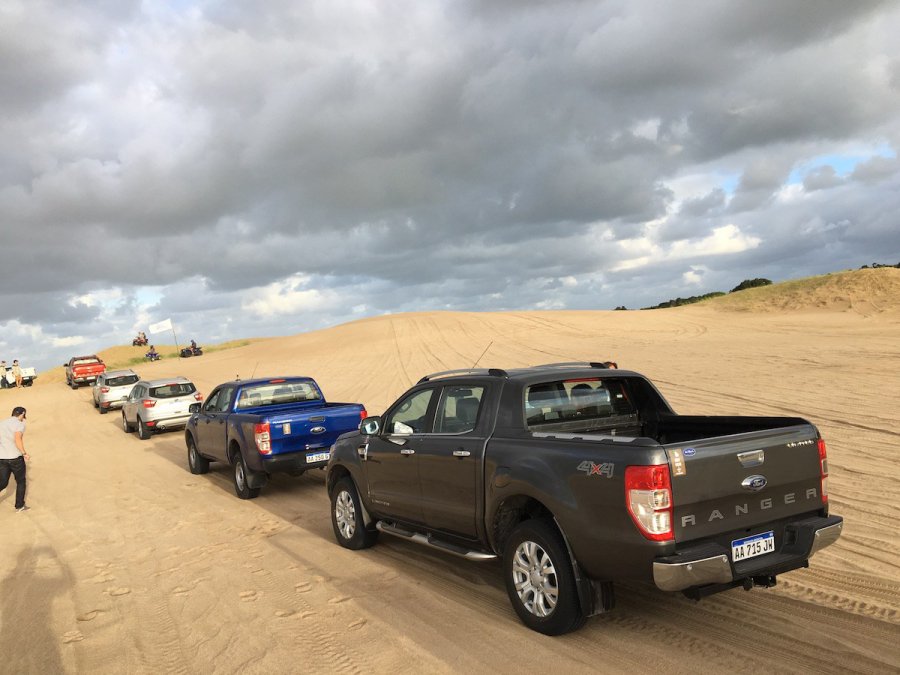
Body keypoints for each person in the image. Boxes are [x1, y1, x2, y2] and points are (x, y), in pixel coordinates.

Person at [0, 406, 29, 512]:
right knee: (21, 481)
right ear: (22, 414)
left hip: (2, 458)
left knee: (3, 482)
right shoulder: (19, 424)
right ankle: (19, 505)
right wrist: (24, 453)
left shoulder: (2, 423)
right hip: (15, 458)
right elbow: (17, 438)